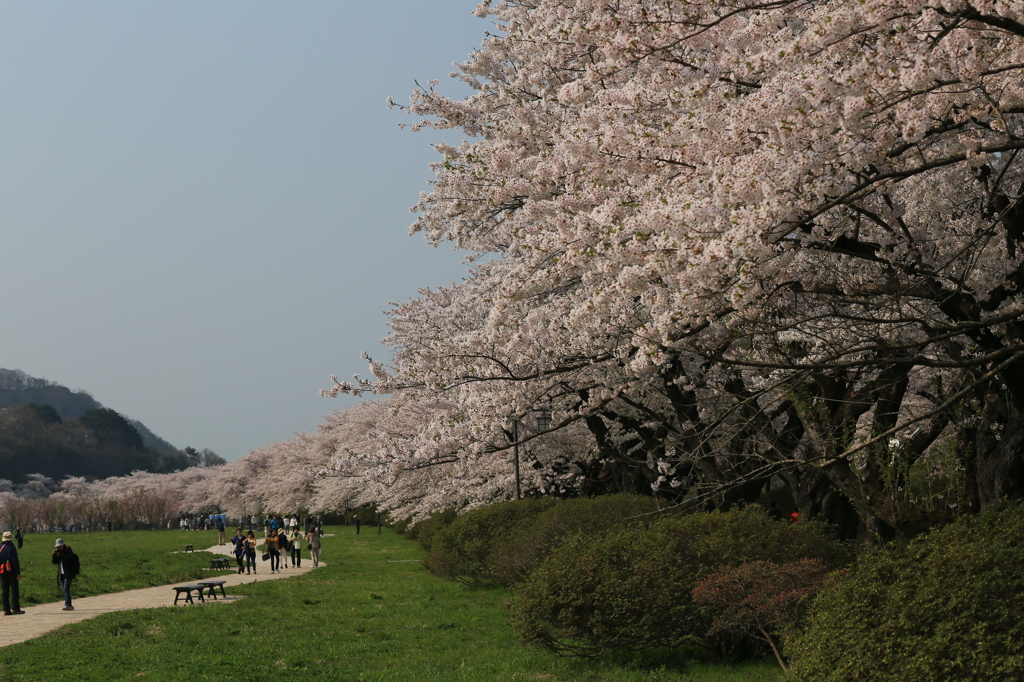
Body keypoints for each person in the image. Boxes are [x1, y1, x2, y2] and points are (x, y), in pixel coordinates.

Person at [51, 538, 79, 611]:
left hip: (68, 573)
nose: (59, 548)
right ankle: (68, 603)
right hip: (61, 573)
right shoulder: (59, 552)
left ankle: (68, 604)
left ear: (63, 545)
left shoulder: (69, 552)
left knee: (66, 588)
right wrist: (54, 556)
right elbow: (54, 562)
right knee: (64, 589)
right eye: (58, 547)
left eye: (60, 546)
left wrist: (61, 555)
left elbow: (68, 560)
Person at [0, 532, 24, 615]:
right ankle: (15, 608)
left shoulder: (0, 547)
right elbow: (15, 561)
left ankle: (6, 609)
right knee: (14, 590)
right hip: (11, 571)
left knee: (5, 590)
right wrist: (17, 573)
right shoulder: (11, 547)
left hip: (2, 570)